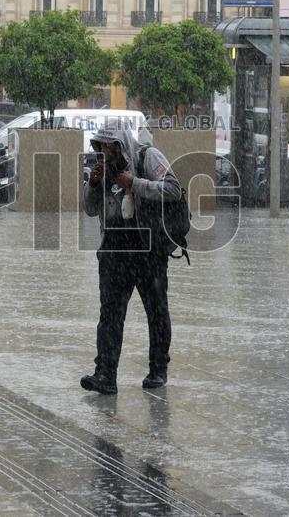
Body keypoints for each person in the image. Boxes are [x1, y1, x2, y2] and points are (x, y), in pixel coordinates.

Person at [80, 120, 182, 395]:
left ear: (121, 145)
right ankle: (105, 374)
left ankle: (158, 370)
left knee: (157, 311)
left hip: (148, 248)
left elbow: (173, 189)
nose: (105, 152)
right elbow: (90, 209)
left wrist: (134, 183)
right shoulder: (102, 171)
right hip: (114, 249)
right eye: (100, 147)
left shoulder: (147, 157)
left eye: (109, 147)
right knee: (110, 314)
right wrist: (93, 183)